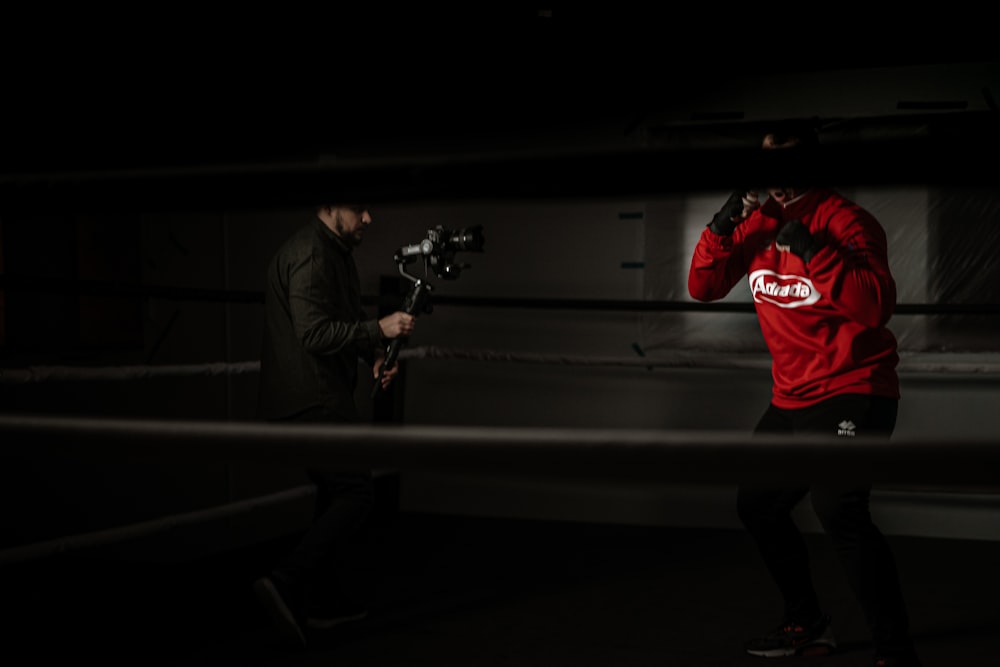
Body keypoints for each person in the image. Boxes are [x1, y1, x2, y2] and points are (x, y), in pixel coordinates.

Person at [687, 122, 922, 667]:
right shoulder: (758, 221)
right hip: (792, 397)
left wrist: (817, 252)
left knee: (838, 507)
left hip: (855, 388)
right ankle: (808, 623)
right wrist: (725, 222)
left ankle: (895, 650)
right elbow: (702, 287)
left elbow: (874, 308)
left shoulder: (849, 222)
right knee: (758, 504)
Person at [253, 204, 416, 650]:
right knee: (355, 492)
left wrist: (375, 355)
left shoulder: (336, 252)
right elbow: (313, 333)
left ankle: (322, 601)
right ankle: (284, 581)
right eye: (358, 207)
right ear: (328, 205)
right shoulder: (311, 254)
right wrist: (378, 328)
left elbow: (339, 325)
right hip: (313, 397)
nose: (368, 217)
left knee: (333, 493)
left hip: (321, 393)